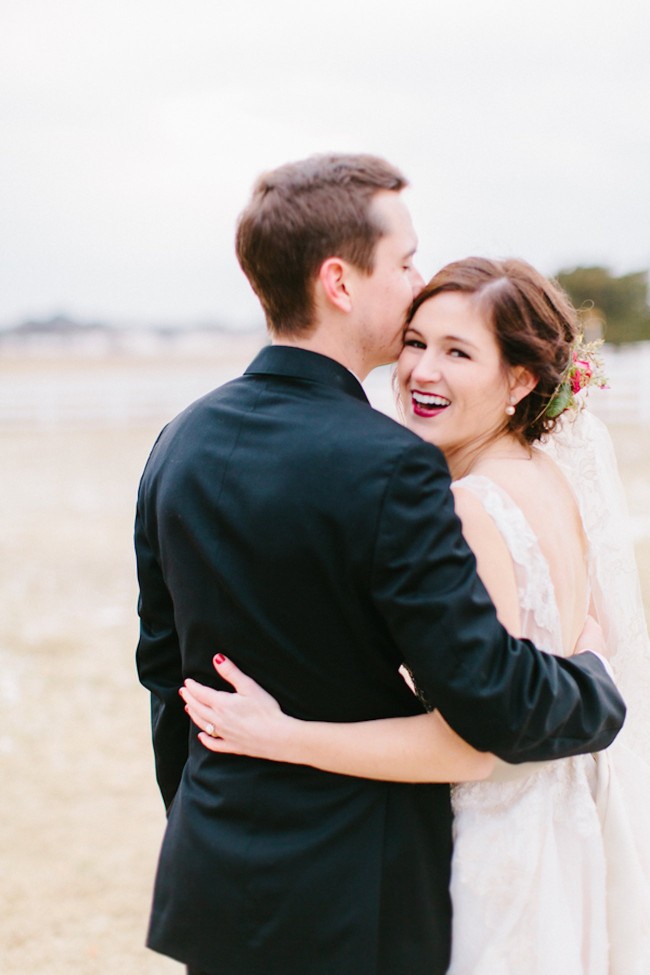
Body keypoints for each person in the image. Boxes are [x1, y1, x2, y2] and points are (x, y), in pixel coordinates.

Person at [135, 156, 625, 975]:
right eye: (403, 261)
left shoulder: (177, 441)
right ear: (339, 280)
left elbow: (165, 679)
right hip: (357, 894)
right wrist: (597, 680)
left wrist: (214, 822)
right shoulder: (395, 465)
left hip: (217, 879)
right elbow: (489, 698)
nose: (416, 278)